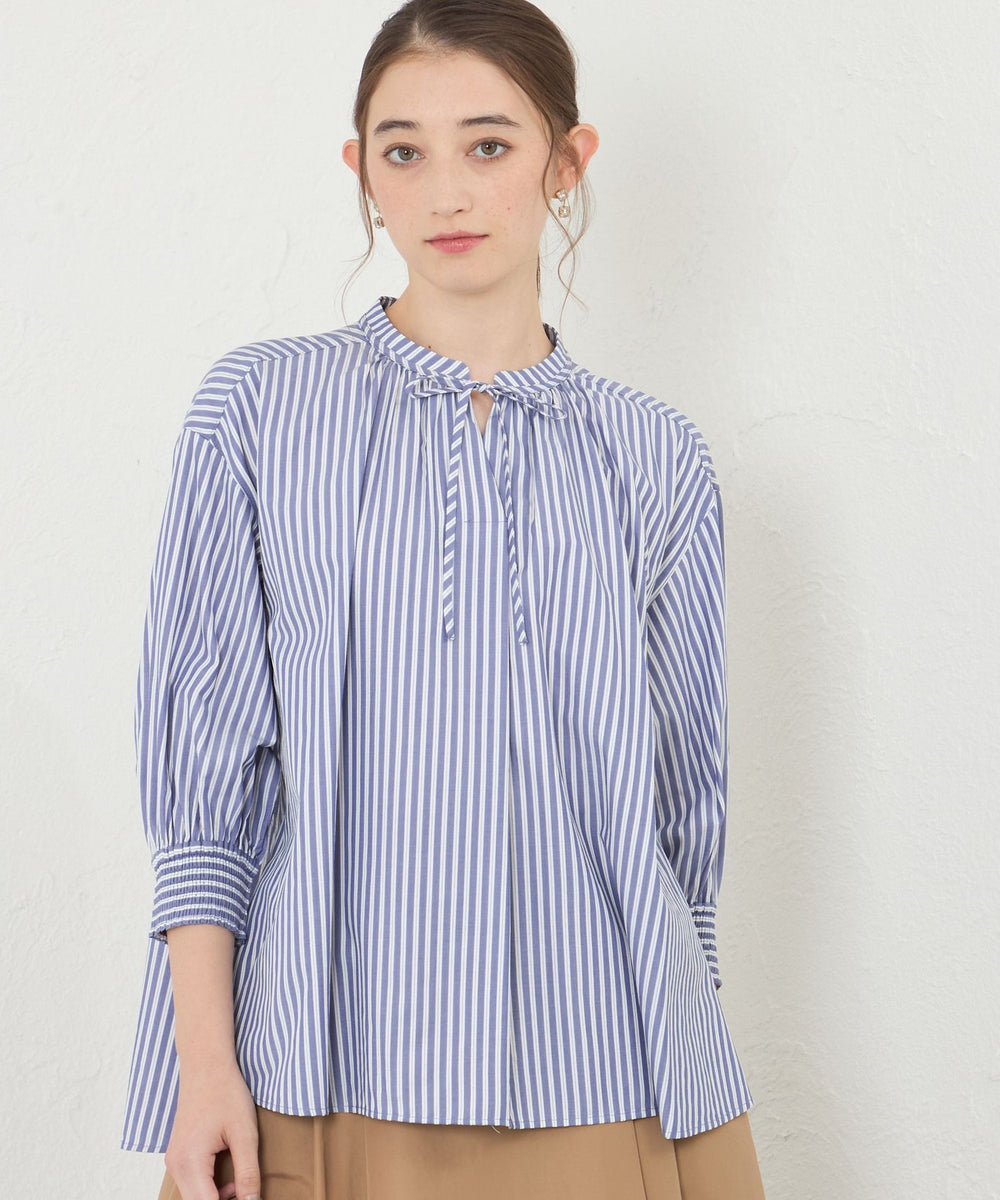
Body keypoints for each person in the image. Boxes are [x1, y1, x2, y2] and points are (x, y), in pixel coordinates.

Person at [120, 2, 768, 1197]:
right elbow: (205, 791)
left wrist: (689, 1048)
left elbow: (684, 818)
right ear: (362, 172)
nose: (447, 192)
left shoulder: (655, 455)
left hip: (608, 1066)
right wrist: (203, 1068)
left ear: (565, 161)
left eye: (489, 144)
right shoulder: (257, 411)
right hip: (320, 1069)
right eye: (404, 151)